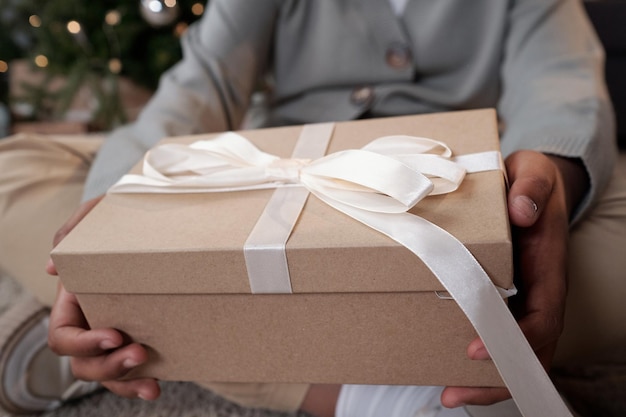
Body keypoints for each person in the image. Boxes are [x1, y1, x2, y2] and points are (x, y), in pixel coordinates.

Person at [1, 0, 624, 416]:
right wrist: (114, 217)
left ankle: (198, 336)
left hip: (458, 186)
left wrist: (553, 179)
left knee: (588, 233)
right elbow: (200, 88)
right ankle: (389, 372)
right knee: (13, 165)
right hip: (269, 177)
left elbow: (561, 84)